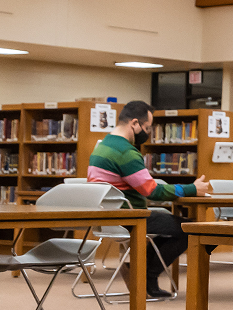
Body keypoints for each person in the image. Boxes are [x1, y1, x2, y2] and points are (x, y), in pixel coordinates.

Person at [86, 100, 209, 298]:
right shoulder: (124, 152)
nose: (148, 133)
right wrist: (192, 189)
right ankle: (145, 276)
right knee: (190, 229)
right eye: (147, 128)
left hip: (107, 217)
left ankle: (140, 272)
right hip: (128, 218)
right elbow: (152, 192)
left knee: (170, 225)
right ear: (134, 123)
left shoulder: (103, 145)